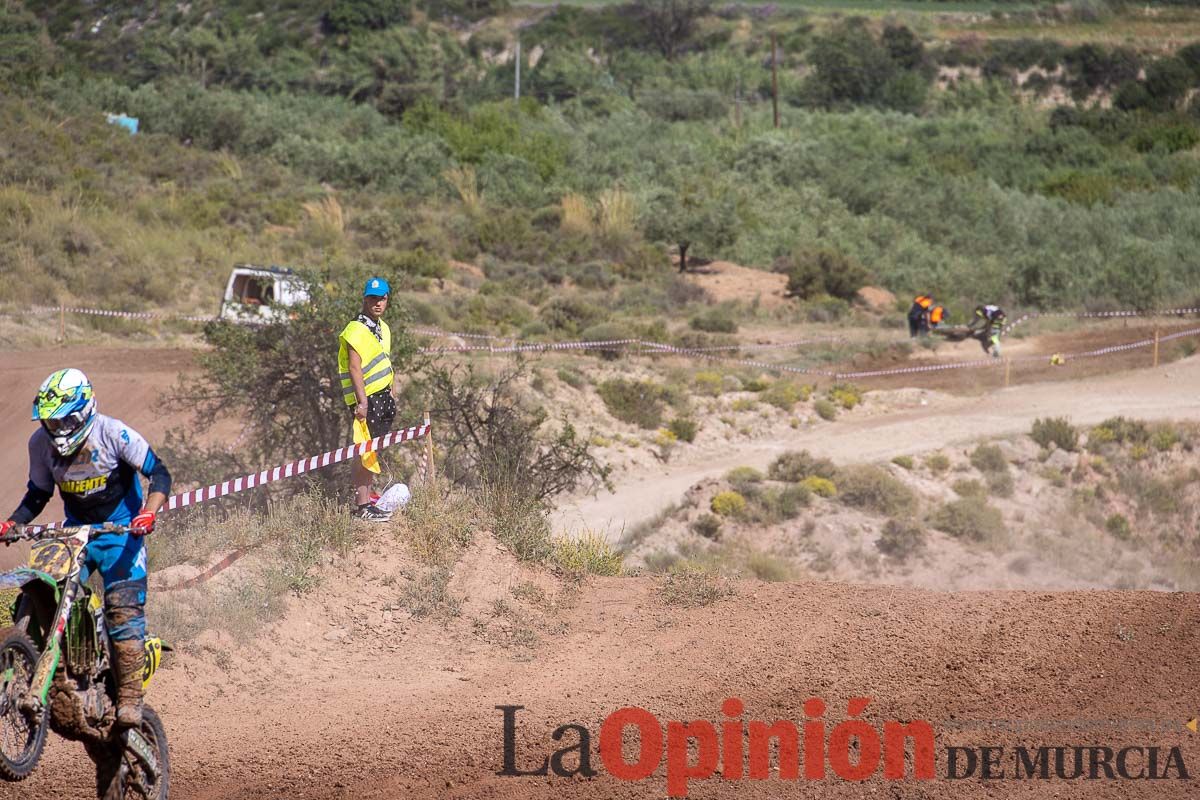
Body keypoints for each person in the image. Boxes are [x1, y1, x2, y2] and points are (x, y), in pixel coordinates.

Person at [0, 369, 170, 728]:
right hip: (76, 533)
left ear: (83, 411)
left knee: (122, 610)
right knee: (42, 582)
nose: (59, 429)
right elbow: (38, 494)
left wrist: (148, 513)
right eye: (51, 422)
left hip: (121, 532)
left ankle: (129, 698)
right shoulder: (40, 445)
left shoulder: (113, 433)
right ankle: (48, 666)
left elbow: (159, 473)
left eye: (65, 420)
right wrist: (13, 522)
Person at [338, 277, 398, 522]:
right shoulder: (355, 329)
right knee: (365, 453)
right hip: (367, 400)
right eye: (373, 297)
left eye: (382, 298)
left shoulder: (383, 328)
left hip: (383, 397)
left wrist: (392, 393)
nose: (377, 302)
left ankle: (367, 500)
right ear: (365, 298)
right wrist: (362, 402)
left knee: (372, 452)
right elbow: (354, 367)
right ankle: (362, 507)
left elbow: (385, 361)